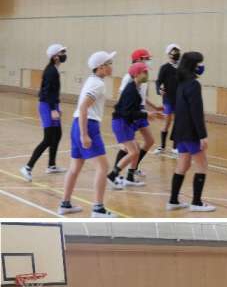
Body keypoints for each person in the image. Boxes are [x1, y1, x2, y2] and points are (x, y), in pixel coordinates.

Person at [58, 50, 117, 218]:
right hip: (87, 125)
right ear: (101, 67)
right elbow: (84, 107)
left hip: (77, 124)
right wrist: (84, 134)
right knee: (103, 167)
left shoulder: (92, 80)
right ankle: (98, 208)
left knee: (75, 168)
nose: (112, 67)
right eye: (109, 64)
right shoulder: (98, 84)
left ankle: (65, 204)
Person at [167, 51, 215, 212]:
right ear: (193, 65)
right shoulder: (193, 84)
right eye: (199, 63)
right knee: (202, 165)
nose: (201, 66)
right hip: (190, 132)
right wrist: (202, 135)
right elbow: (196, 112)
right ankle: (196, 202)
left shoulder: (181, 82)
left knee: (183, 164)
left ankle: (173, 201)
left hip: (180, 131)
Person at [20, 44, 68, 181]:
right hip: (47, 106)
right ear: (55, 57)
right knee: (48, 139)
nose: (64, 55)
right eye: (62, 52)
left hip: (52, 104)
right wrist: (52, 109)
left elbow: (52, 92)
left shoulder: (54, 70)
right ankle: (27, 167)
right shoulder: (51, 71)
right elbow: (46, 92)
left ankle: (51, 165)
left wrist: (57, 106)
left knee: (57, 134)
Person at [107, 62, 149, 188]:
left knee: (136, 149)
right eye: (144, 72)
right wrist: (146, 115)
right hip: (121, 123)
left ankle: (130, 177)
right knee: (133, 152)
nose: (146, 74)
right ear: (136, 74)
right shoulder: (131, 90)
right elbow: (127, 113)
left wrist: (148, 113)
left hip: (125, 123)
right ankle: (112, 175)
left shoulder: (135, 88)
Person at [113, 48, 155, 176]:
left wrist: (154, 107)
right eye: (146, 58)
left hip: (140, 110)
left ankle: (133, 168)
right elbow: (123, 97)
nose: (149, 61)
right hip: (131, 112)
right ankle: (116, 173)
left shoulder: (143, 76)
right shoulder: (129, 77)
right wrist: (121, 114)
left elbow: (141, 97)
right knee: (129, 145)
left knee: (149, 141)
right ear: (139, 59)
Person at [154, 44, 181, 156]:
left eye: (177, 52)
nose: (175, 54)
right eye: (173, 52)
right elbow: (158, 81)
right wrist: (159, 89)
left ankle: (175, 147)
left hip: (179, 99)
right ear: (169, 54)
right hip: (168, 99)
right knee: (167, 122)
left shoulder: (182, 68)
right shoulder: (164, 67)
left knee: (178, 123)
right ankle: (162, 146)